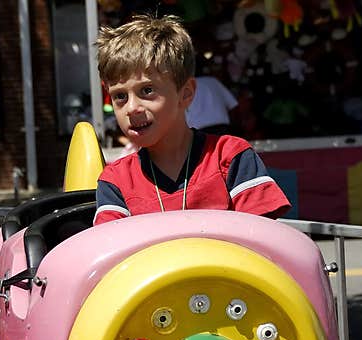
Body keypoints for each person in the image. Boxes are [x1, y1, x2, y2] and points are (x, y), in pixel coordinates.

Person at [92, 14, 291, 226]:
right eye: (120, 96)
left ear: (185, 93)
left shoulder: (230, 156)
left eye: (147, 90)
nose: (131, 108)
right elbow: (111, 250)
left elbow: (263, 240)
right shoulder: (115, 180)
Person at [186, 70, 238, 135]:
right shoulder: (213, 81)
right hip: (222, 128)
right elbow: (233, 105)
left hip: (199, 130)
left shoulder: (186, 86)